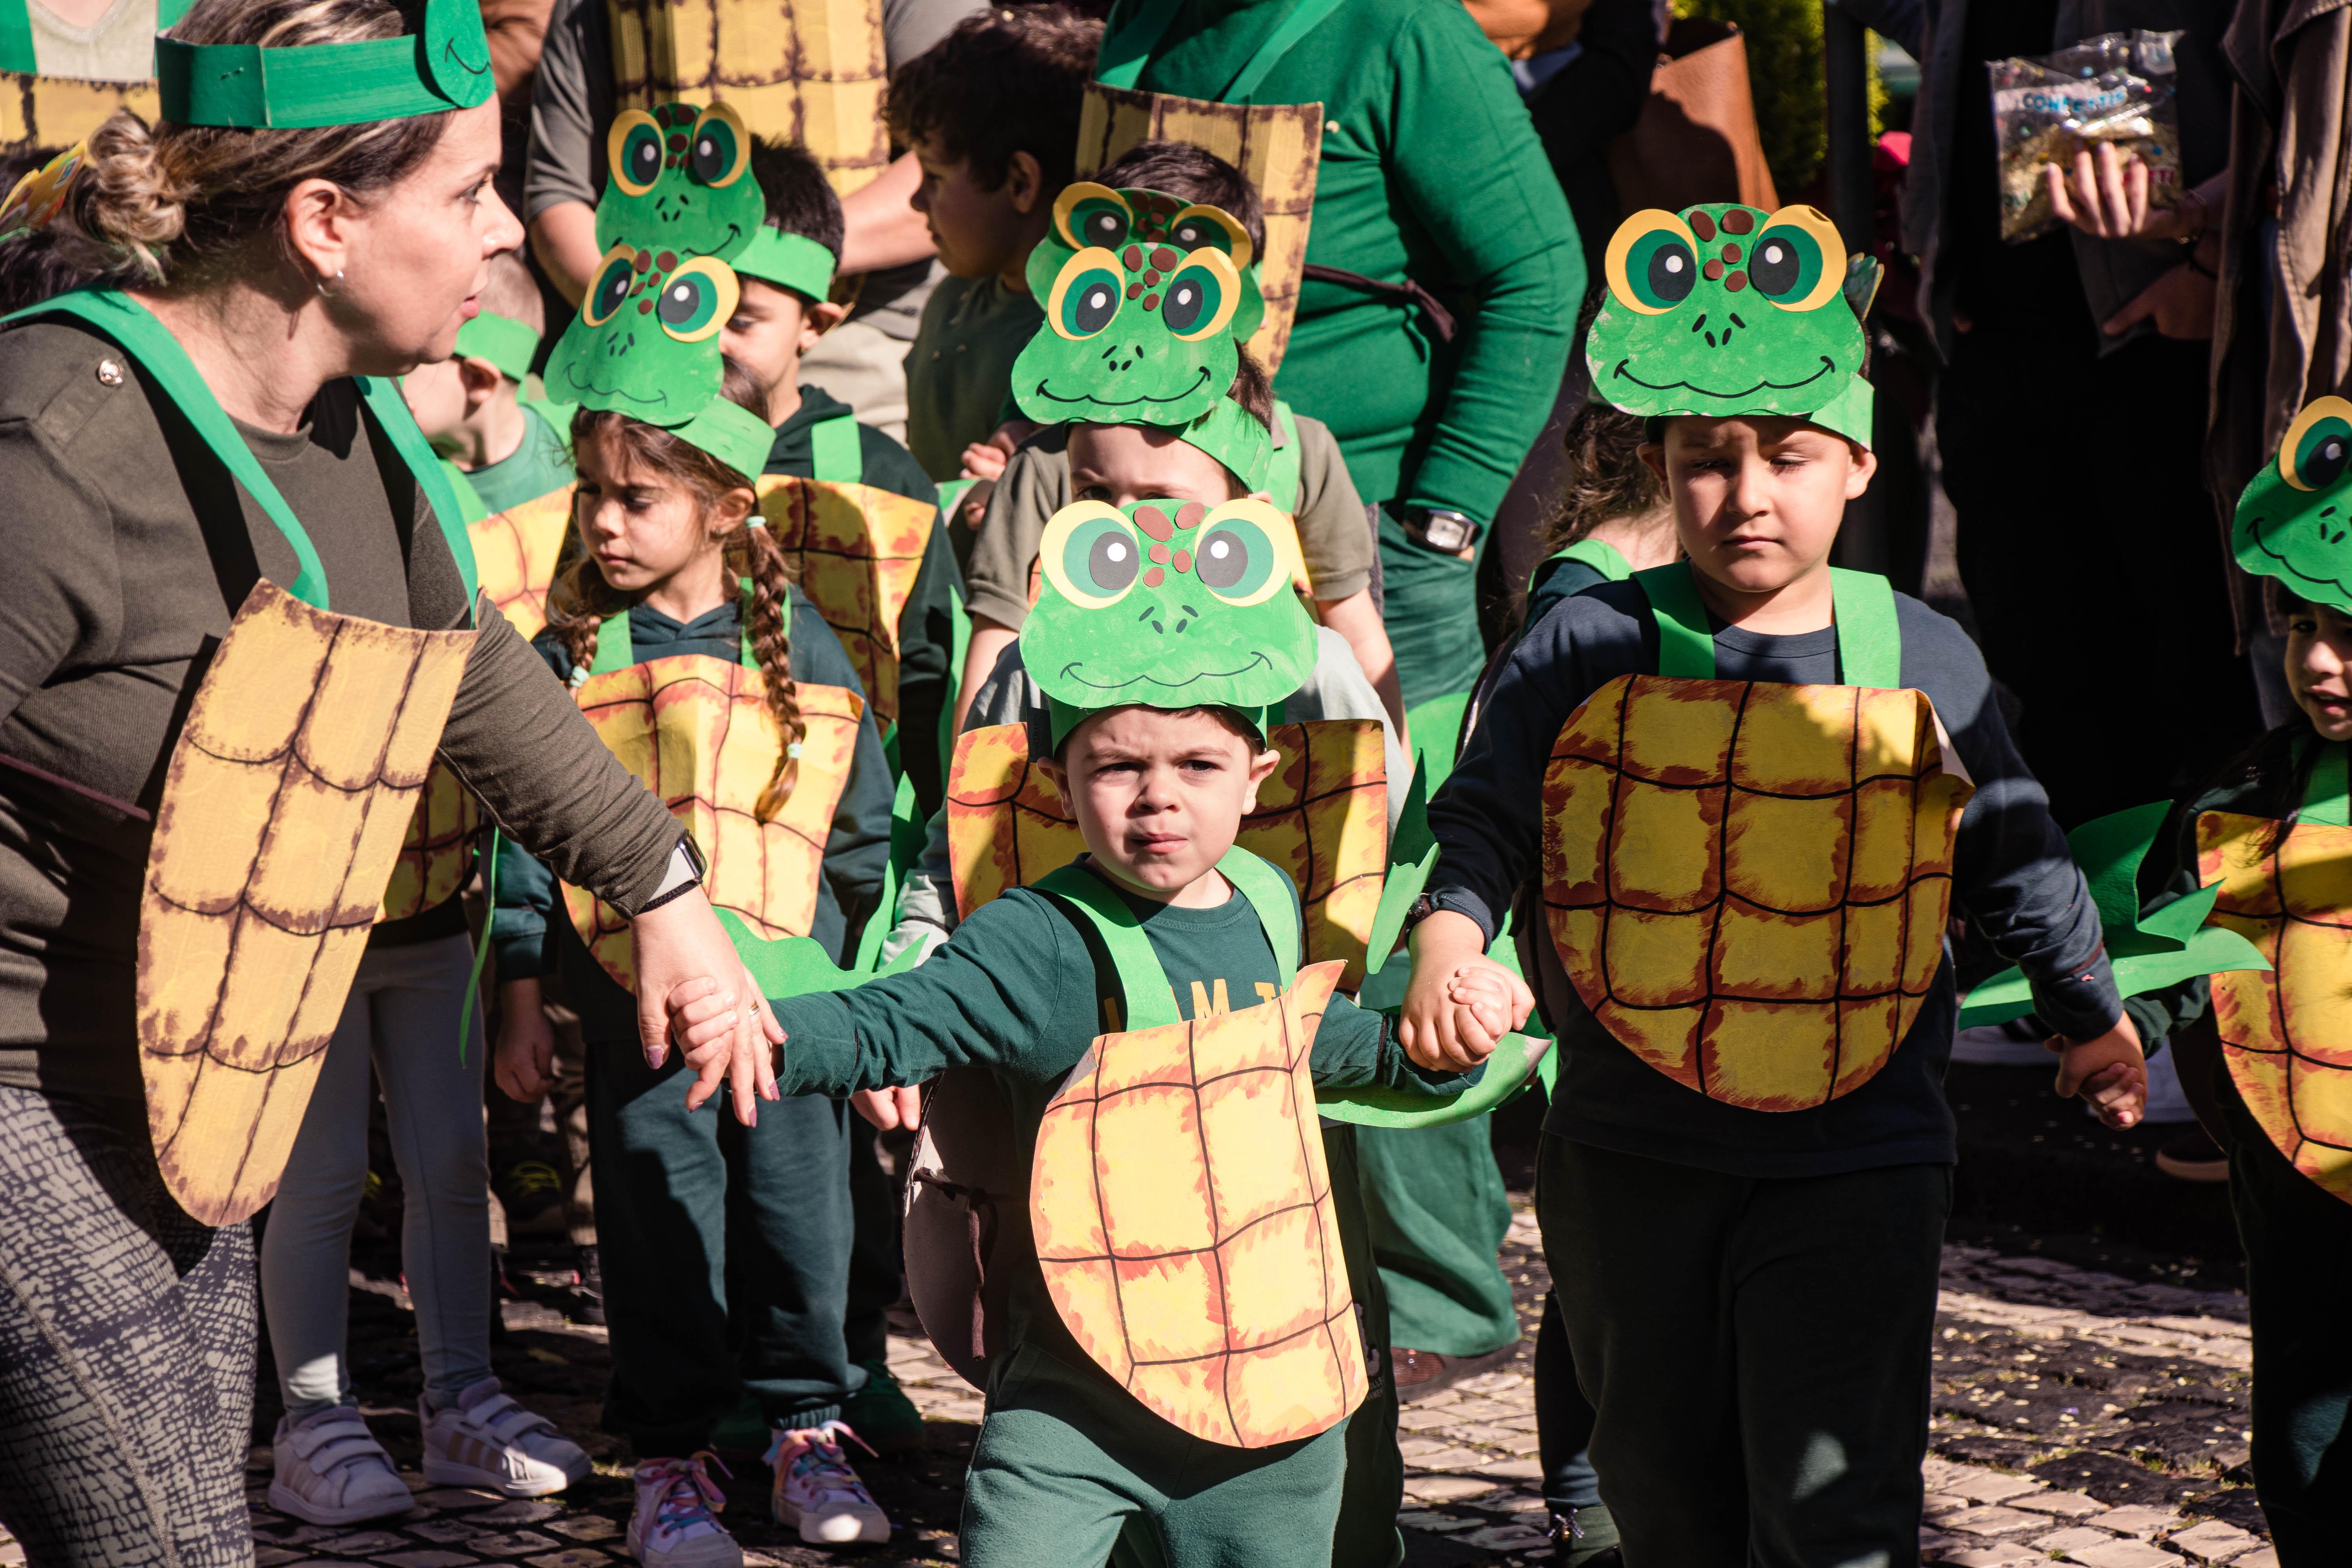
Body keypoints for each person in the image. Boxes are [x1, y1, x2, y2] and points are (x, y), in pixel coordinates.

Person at [0, 2, 779, 1560]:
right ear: (326, 223)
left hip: (196, 1081)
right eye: (469, 193)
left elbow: (470, 671)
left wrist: (669, 894)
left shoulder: (350, 434)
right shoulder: (49, 451)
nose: (507, 236)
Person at [1401, 201, 2147, 1563]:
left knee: (1835, 1501)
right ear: (1661, 464)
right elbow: (1493, 818)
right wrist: (1451, 941)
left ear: (1861, 463)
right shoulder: (1587, 642)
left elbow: (2019, 852)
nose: (1747, 494)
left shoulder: (1922, 654)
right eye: (1705, 459)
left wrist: (2086, 1012)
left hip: (1857, 1154)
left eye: (1788, 456)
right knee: (1663, 1492)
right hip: (1630, 1153)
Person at [723, 471, 1501, 1564]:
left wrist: (1440, 1051)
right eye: (1116, 766)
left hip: (1269, 1416)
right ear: (1058, 777)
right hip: (1068, 1413)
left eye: (1196, 764)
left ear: (1259, 774)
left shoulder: (1274, 908)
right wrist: (760, 1034)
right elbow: (900, 1018)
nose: (1157, 798)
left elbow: (1320, 1054)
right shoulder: (1033, 938)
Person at [492, 271, 895, 1555]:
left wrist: (872, 1004)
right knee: (661, 1226)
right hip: (641, 1017)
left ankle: (804, 1431)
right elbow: (527, 840)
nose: (604, 525)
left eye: (637, 499)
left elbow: (861, 834)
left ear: (724, 509)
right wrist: (519, 989)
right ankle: (672, 1458)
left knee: (799, 1220)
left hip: (793, 1020)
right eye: (594, 496)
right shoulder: (575, 654)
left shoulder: (803, 644)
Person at [1087, 0, 1581, 730]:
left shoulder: (1403, 29)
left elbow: (1538, 274)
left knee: (1387, 814)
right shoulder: (1144, 18)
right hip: (1139, 521)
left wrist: (1445, 516)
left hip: (1361, 540)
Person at [1902, 0, 2257, 825]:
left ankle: (2223, 943)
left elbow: (2301, 94)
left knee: (2205, 685)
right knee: (2050, 693)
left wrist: (2215, 257)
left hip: (2167, 335)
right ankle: (2089, 941)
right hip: (1998, 345)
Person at [2110, 403, 2352, 1561]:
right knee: (2300, 1429)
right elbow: (2169, 945)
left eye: (2350, 631)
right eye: (2303, 623)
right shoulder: (2239, 795)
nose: (2314, 659)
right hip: (2291, 1176)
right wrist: (2115, 1026)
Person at [957, 143, 1400, 737]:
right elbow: (997, 651)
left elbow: (1358, 634)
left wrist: (1390, 776)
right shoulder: (1046, 465)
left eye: (1181, 301)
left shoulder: (1306, 450)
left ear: (1243, 311)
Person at [520, 0, 989, 441]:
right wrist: (650, 321)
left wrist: (776, 271)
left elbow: (966, 159)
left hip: (860, 334)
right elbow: (559, 193)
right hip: (647, 343)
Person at [724, 136, 961, 817]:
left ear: (815, 323)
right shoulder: (627, 467)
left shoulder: (881, 479)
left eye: (743, 319)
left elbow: (924, 673)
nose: (712, 340)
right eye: (693, 307)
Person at [884, 4, 1100, 494]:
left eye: (935, 177)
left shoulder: (1082, 343)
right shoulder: (950, 298)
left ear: (1021, 181)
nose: (918, 200)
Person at [402, 249, 575, 638]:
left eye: (411, 360)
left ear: (478, 380)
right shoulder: (407, 479)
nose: (387, 374)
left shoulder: (586, 439)